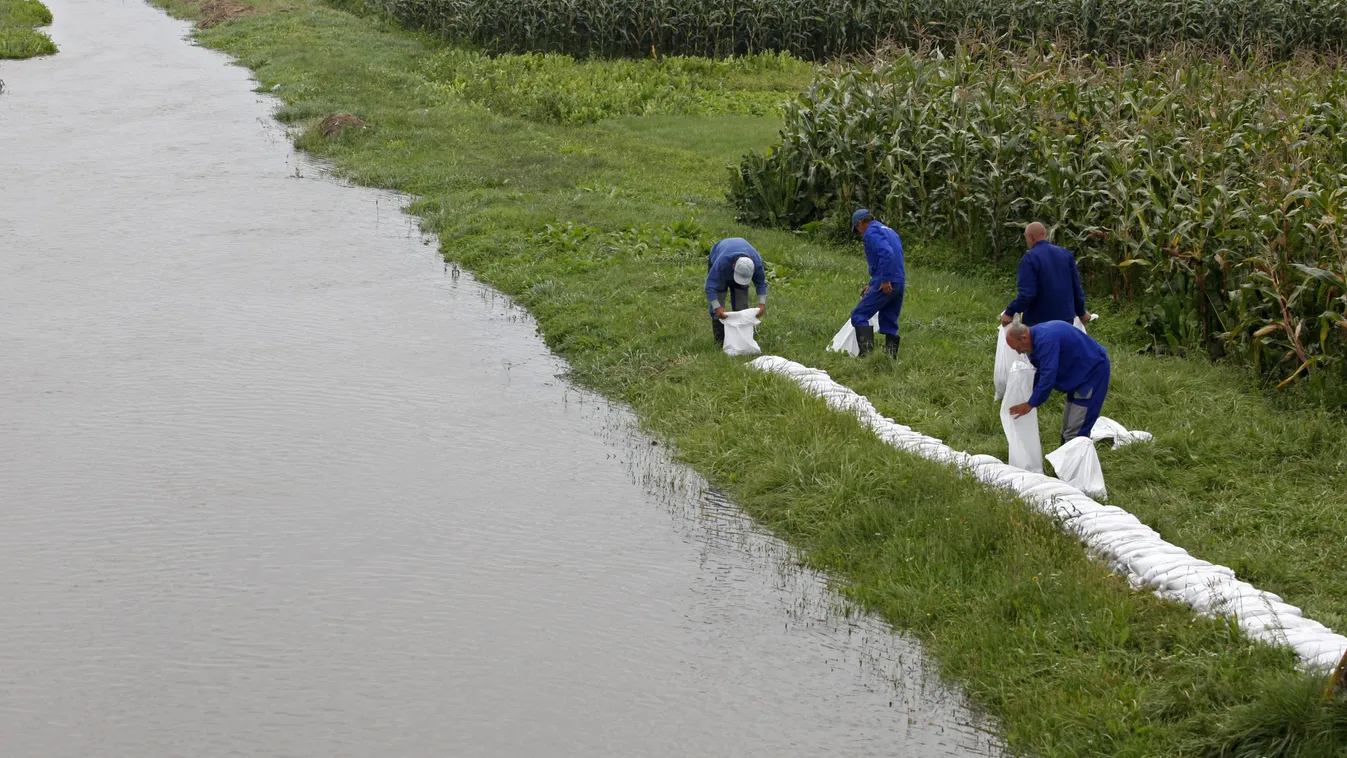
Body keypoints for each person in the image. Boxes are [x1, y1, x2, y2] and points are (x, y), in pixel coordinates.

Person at [1005, 321, 1110, 444]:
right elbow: (1040, 371)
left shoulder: (1046, 340)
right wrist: (1027, 393)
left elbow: (1048, 376)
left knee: (1075, 433)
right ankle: (1065, 460)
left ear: (1023, 338)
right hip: (1077, 374)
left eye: (1017, 348)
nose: (1019, 352)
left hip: (1091, 374)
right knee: (1067, 429)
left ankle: (1075, 462)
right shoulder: (1034, 340)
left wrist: (1030, 404)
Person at [1000, 222, 1093, 328]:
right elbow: (1076, 288)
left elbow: (1027, 294)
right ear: (1044, 235)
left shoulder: (1030, 258)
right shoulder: (1065, 255)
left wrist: (1009, 312)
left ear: (1030, 237)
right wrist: (1081, 312)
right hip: (1065, 319)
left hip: (1039, 321)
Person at [849, 209, 905, 357]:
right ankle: (890, 359)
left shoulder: (871, 232)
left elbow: (887, 254)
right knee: (889, 320)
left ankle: (867, 357)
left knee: (859, 315)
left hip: (887, 282)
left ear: (860, 223)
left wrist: (885, 280)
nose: (859, 233)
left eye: (857, 229)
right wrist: (873, 283)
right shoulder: (890, 231)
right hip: (899, 281)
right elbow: (891, 258)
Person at [705, 237, 767, 345]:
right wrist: (717, 306)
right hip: (721, 257)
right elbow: (710, 285)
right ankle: (720, 340)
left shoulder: (756, 262)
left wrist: (762, 304)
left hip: (737, 260)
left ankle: (742, 337)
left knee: (741, 305)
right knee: (719, 299)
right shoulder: (721, 262)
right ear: (734, 266)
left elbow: (761, 282)